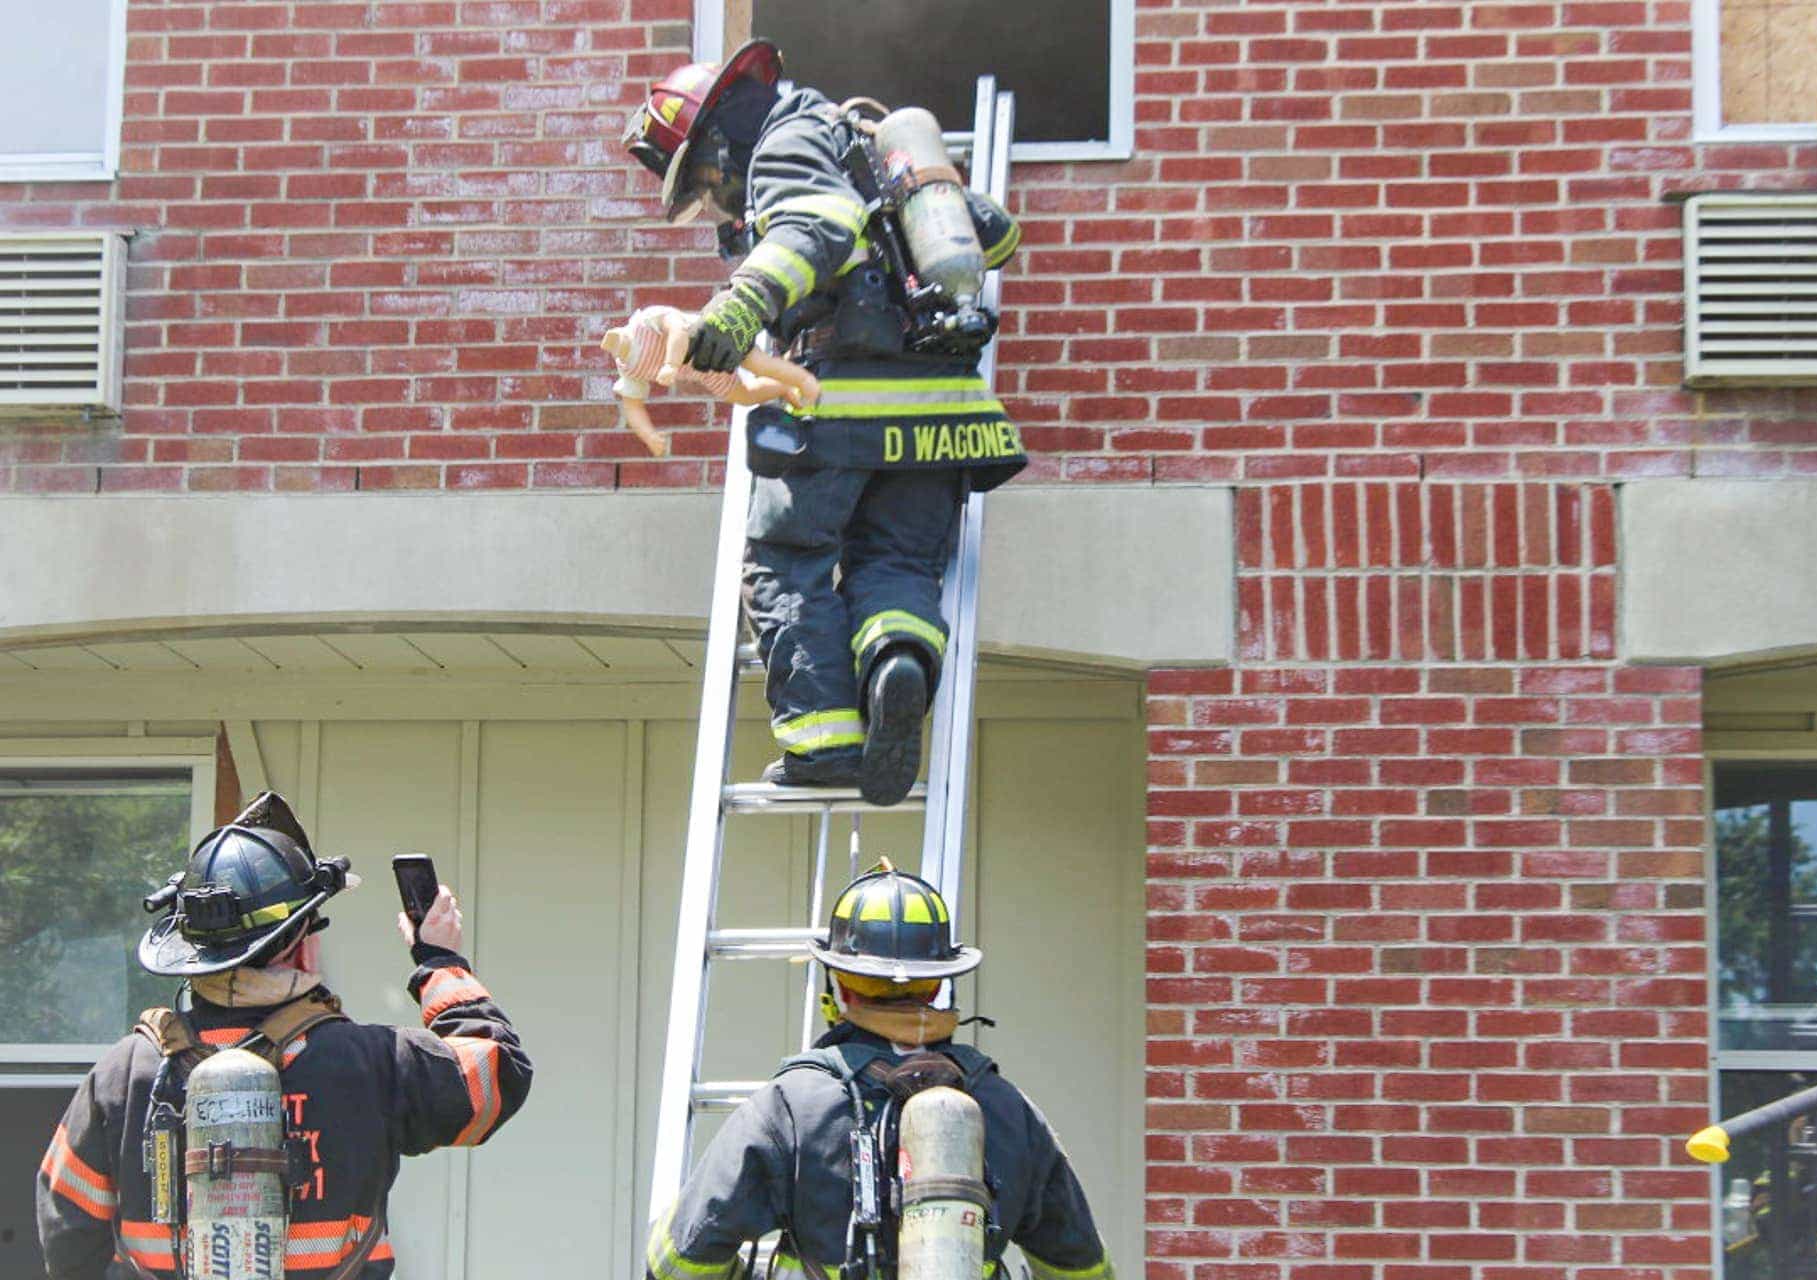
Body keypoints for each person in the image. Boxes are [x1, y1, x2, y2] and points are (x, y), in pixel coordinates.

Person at [621, 40, 1026, 805]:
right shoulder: (867, 152)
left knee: (785, 558)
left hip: (839, 400)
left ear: (719, 140)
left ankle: (825, 739)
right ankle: (896, 659)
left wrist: (737, 309)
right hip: (943, 413)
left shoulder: (784, 142)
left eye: (703, 182)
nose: (714, 201)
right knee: (899, 562)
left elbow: (818, 220)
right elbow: (996, 234)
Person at [35, 792, 532, 1279]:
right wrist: (439, 963)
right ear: (298, 939)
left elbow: (68, 1233)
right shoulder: (372, 1062)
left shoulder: (125, 1072)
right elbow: (498, 1075)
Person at [645, 864, 1114, 1280]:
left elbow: (679, 1263)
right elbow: (1083, 1267)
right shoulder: (1005, 1107)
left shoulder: (792, 1105)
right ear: (936, 985)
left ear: (841, 986)